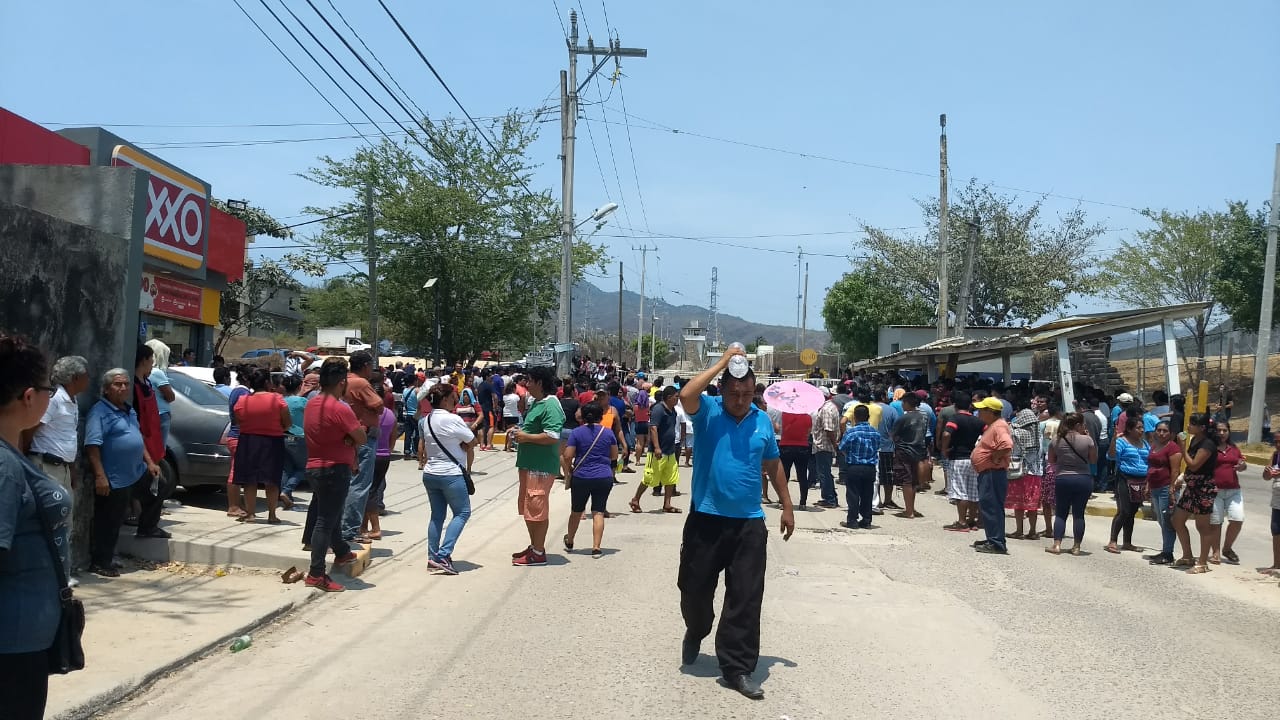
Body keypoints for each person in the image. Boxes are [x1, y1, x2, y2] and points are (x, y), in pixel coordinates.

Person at [676, 346, 793, 701]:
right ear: (722, 390)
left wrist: (787, 506)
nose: (740, 399)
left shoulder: (761, 421)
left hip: (748, 524)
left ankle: (737, 668)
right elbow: (685, 394)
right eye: (734, 393)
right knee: (694, 590)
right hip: (706, 520)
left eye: (746, 393)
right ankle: (697, 628)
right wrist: (724, 362)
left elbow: (773, 465)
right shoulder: (707, 412)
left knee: (745, 597)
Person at [0, 335, 74, 719]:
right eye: (49, 388)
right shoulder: (4, 466)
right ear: (29, 397)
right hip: (10, 649)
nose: (51, 395)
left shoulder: (11, 455)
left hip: (24, 640)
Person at [85, 368, 164, 577]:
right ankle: (101, 562)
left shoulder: (129, 410)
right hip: (114, 478)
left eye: (126, 384)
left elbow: (137, 437)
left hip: (136, 472)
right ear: (107, 389)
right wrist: (100, 476)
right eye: (117, 384)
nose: (123, 388)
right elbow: (92, 445)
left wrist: (149, 462)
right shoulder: (99, 412)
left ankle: (147, 527)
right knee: (109, 521)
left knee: (160, 485)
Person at [301, 359, 363, 592]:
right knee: (325, 521)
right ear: (341, 382)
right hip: (334, 469)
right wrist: (349, 438)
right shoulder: (340, 408)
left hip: (315, 466)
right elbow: (361, 437)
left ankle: (342, 552)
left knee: (331, 513)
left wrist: (346, 437)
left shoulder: (312, 404)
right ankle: (317, 573)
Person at [25, 355, 88, 577]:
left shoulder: (73, 400)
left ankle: (61, 572)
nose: (88, 379)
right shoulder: (54, 400)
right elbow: (31, 429)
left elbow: (67, 437)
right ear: (74, 378)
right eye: (85, 375)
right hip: (45, 466)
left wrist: (71, 469)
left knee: (65, 522)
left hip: (62, 468)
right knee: (50, 521)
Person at [418, 383, 476, 575]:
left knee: (436, 516)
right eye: (453, 397)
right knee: (462, 512)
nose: (456, 400)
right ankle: (444, 555)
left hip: (430, 472)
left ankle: (432, 557)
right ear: (444, 400)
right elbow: (472, 440)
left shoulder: (426, 421)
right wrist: (462, 447)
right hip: (450, 473)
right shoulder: (453, 419)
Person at [511, 366, 566, 566]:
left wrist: (526, 436)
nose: (526, 384)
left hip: (540, 467)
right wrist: (521, 432)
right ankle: (534, 545)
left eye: (529, 380)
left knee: (537, 507)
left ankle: (539, 551)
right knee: (528, 508)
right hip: (529, 464)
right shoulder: (536, 403)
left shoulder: (551, 405)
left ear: (540, 383)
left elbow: (552, 436)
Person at [233, 368, 291, 524]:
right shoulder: (277, 399)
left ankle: (250, 513)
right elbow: (287, 423)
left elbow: (239, 421)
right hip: (272, 442)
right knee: (272, 480)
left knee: (249, 479)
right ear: (267, 382)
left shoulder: (242, 400)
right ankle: (272, 515)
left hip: (248, 442)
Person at [563, 402, 619, 557]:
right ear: (600, 416)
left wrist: (569, 470)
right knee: (598, 512)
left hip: (581, 476)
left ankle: (570, 540)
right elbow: (614, 455)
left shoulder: (576, 433)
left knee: (576, 511)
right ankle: (596, 547)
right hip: (603, 476)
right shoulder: (608, 433)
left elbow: (567, 455)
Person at [342, 351, 384, 545]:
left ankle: (345, 526)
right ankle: (350, 529)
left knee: (348, 482)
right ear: (366, 365)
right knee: (360, 484)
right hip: (363, 436)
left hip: (348, 435)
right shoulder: (361, 383)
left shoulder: (344, 381)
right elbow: (378, 405)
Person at [1171, 413, 1219, 574]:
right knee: (1177, 520)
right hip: (1191, 486)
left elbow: (1194, 464)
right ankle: (1187, 555)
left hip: (1203, 488)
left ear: (1202, 427)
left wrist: (1182, 448)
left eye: (1192, 424)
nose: (1188, 427)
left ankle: (1203, 563)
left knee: (1203, 527)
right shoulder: (1195, 440)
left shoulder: (1208, 444)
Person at [129, 345, 168, 539]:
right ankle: (145, 525)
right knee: (157, 485)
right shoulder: (133, 387)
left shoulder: (147, 383)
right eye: (151, 361)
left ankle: (145, 522)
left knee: (156, 485)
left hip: (153, 443)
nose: (152, 364)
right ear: (144, 360)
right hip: (141, 444)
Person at [1046, 413, 1096, 555]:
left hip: (1063, 478)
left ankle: (1056, 545)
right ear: (1078, 425)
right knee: (1078, 514)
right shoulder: (1087, 440)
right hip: (1083, 478)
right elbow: (1093, 460)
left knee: (1061, 513)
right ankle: (1076, 547)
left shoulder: (1056, 440)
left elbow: (1051, 461)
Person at [971, 397, 1013, 555]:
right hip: (989, 472)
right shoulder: (994, 425)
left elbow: (1007, 445)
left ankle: (996, 542)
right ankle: (993, 538)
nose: (978, 413)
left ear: (990, 412)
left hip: (992, 473)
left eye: (982, 410)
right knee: (989, 506)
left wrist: (995, 457)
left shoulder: (999, 426)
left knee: (992, 506)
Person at [630, 386, 681, 514]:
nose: (677, 399)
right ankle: (635, 499)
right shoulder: (659, 409)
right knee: (649, 476)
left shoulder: (673, 410)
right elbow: (653, 428)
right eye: (676, 397)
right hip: (658, 452)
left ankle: (667, 504)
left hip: (670, 450)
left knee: (671, 478)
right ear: (669, 398)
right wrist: (657, 447)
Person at [1105, 416, 1150, 554]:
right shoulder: (1122, 442)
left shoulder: (1145, 444)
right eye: (1138, 428)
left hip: (1141, 481)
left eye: (1142, 427)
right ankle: (1112, 541)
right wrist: (1113, 440)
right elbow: (1111, 456)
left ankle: (1127, 542)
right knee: (1124, 510)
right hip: (1124, 479)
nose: (1141, 430)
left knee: (1132, 512)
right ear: (1129, 429)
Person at [941, 392, 984, 532]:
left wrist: (944, 449)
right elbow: (987, 432)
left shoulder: (955, 418)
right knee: (973, 492)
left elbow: (947, 433)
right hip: (973, 458)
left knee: (960, 492)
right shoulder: (977, 421)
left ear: (955, 405)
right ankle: (972, 520)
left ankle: (962, 522)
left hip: (958, 458)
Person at [1142, 420, 1182, 565]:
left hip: (1166, 488)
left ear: (1170, 433)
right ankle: (1165, 549)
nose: (1161, 433)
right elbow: (1151, 466)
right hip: (1155, 487)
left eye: (1165, 431)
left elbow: (1175, 470)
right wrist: (1147, 485)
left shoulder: (1173, 448)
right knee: (1160, 520)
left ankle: (1168, 553)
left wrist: (1172, 489)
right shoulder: (1154, 445)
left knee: (1167, 522)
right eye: (1159, 430)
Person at [1208, 420, 1246, 565]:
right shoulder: (1210, 448)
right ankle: (1215, 552)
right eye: (1219, 430)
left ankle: (1227, 548)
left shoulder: (1234, 448)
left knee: (1237, 519)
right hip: (1215, 490)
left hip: (1233, 491)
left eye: (1225, 430)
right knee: (1215, 522)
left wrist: (1242, 466)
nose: (1222, 433)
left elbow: (1242, 464)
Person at [838, 403, 879, 529]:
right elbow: (877, 447)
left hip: (854, 466)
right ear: (868, 417)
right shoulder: (875, 433)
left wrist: (849, 455)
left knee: (853, 494)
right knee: (867, 494)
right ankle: (866, 520)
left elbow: (842, 447)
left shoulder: (851, 432)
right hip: (870, 467)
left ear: (854, 417)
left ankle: (852, 520)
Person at [1006, 407, 1045, 539]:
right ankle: (1033, 531)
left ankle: (1019, 530)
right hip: (1035, 474)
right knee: (1032, 505)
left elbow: (1013, 451)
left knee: (1019, 504)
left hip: (1019, 472)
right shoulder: (1038, 434)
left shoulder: (1016, 433)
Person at [889, 393, 928, 519]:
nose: (902, 404)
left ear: (907, 403)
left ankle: (909, 511)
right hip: (918, 451)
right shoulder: (922, 416)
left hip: (904, 451)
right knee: (913, 482)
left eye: (903, 402)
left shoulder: (904, 418)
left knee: (906, 481)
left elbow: (893, 435)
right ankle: (911, 507)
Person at [365, 396, 397, 541]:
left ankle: (373, 527)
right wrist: (388, 451)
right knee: (376, 488)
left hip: (370, 454)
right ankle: (364, 525)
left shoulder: (368, 415)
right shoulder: (390, 414)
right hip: (384, 456)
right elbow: (393, 436)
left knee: (368, 491)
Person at [224, 365, 251, 518]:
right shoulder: (243, 393)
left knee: (236, 471)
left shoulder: (236, 391)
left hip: (236, 435)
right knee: (236, 473)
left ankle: (236, 505)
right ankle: (234, 506)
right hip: (239, 436)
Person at [279, 374, 308, 508]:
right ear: (299, 386)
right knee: (301, 468)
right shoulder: (302, 402)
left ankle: (286, 497)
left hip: (283, 436)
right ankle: (286, 491)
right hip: (299, 437)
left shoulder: (281, 401)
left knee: (286, 468)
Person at [810, 387, 840, 509]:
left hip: (824, 445)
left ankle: (830, 499)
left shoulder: (826, 409)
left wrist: (834, 445)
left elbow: (829, 430)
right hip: (823, 445)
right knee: (825, 472)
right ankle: (829, 496)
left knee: (824, 473)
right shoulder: (828, 407)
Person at [145, 339, 176, 447]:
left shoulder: (145, 372)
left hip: (151, 413)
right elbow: (171, 396)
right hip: (161, 415)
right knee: (158, 449)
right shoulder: (157, 373)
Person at [1260, 432, 1280, 576]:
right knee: (1276, 529)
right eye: (1276, 442)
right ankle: (1277, 564)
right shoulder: (1275, 455)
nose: (1278, 445)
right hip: (1277, 499)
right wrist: (1267, 472)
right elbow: (1266, 477)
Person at [401, 372, 422, 461]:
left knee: (408, 434)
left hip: (407, 414)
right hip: (416, 414)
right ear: (414, 381)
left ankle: (407, 452)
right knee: (417, 434)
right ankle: (417, 452)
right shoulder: (417, 390)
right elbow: (420, 403)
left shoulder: (405, 390)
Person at [502, 382, 522, 452]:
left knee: (508, 430)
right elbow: (519, 404)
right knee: (512, 431)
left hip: (506, 414)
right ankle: (508, 447)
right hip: (513, 414)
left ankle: (505, 446)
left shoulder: (505, 396)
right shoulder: (516, 396)